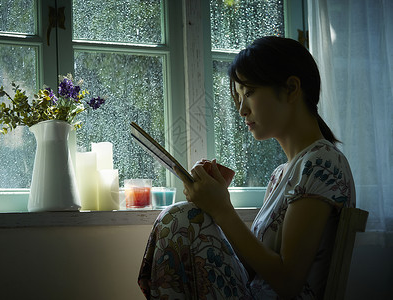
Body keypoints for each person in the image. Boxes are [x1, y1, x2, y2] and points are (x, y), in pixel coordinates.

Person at [138, 36, 355, 300]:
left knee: (180, 219)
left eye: (249, 92)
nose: (241, 110)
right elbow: (254, 269)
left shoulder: (322, 162)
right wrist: (213, 204)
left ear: (291, 88)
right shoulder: (281, 174)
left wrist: (221, 208)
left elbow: (287, 282)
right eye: (238, 97)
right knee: (183, 216)